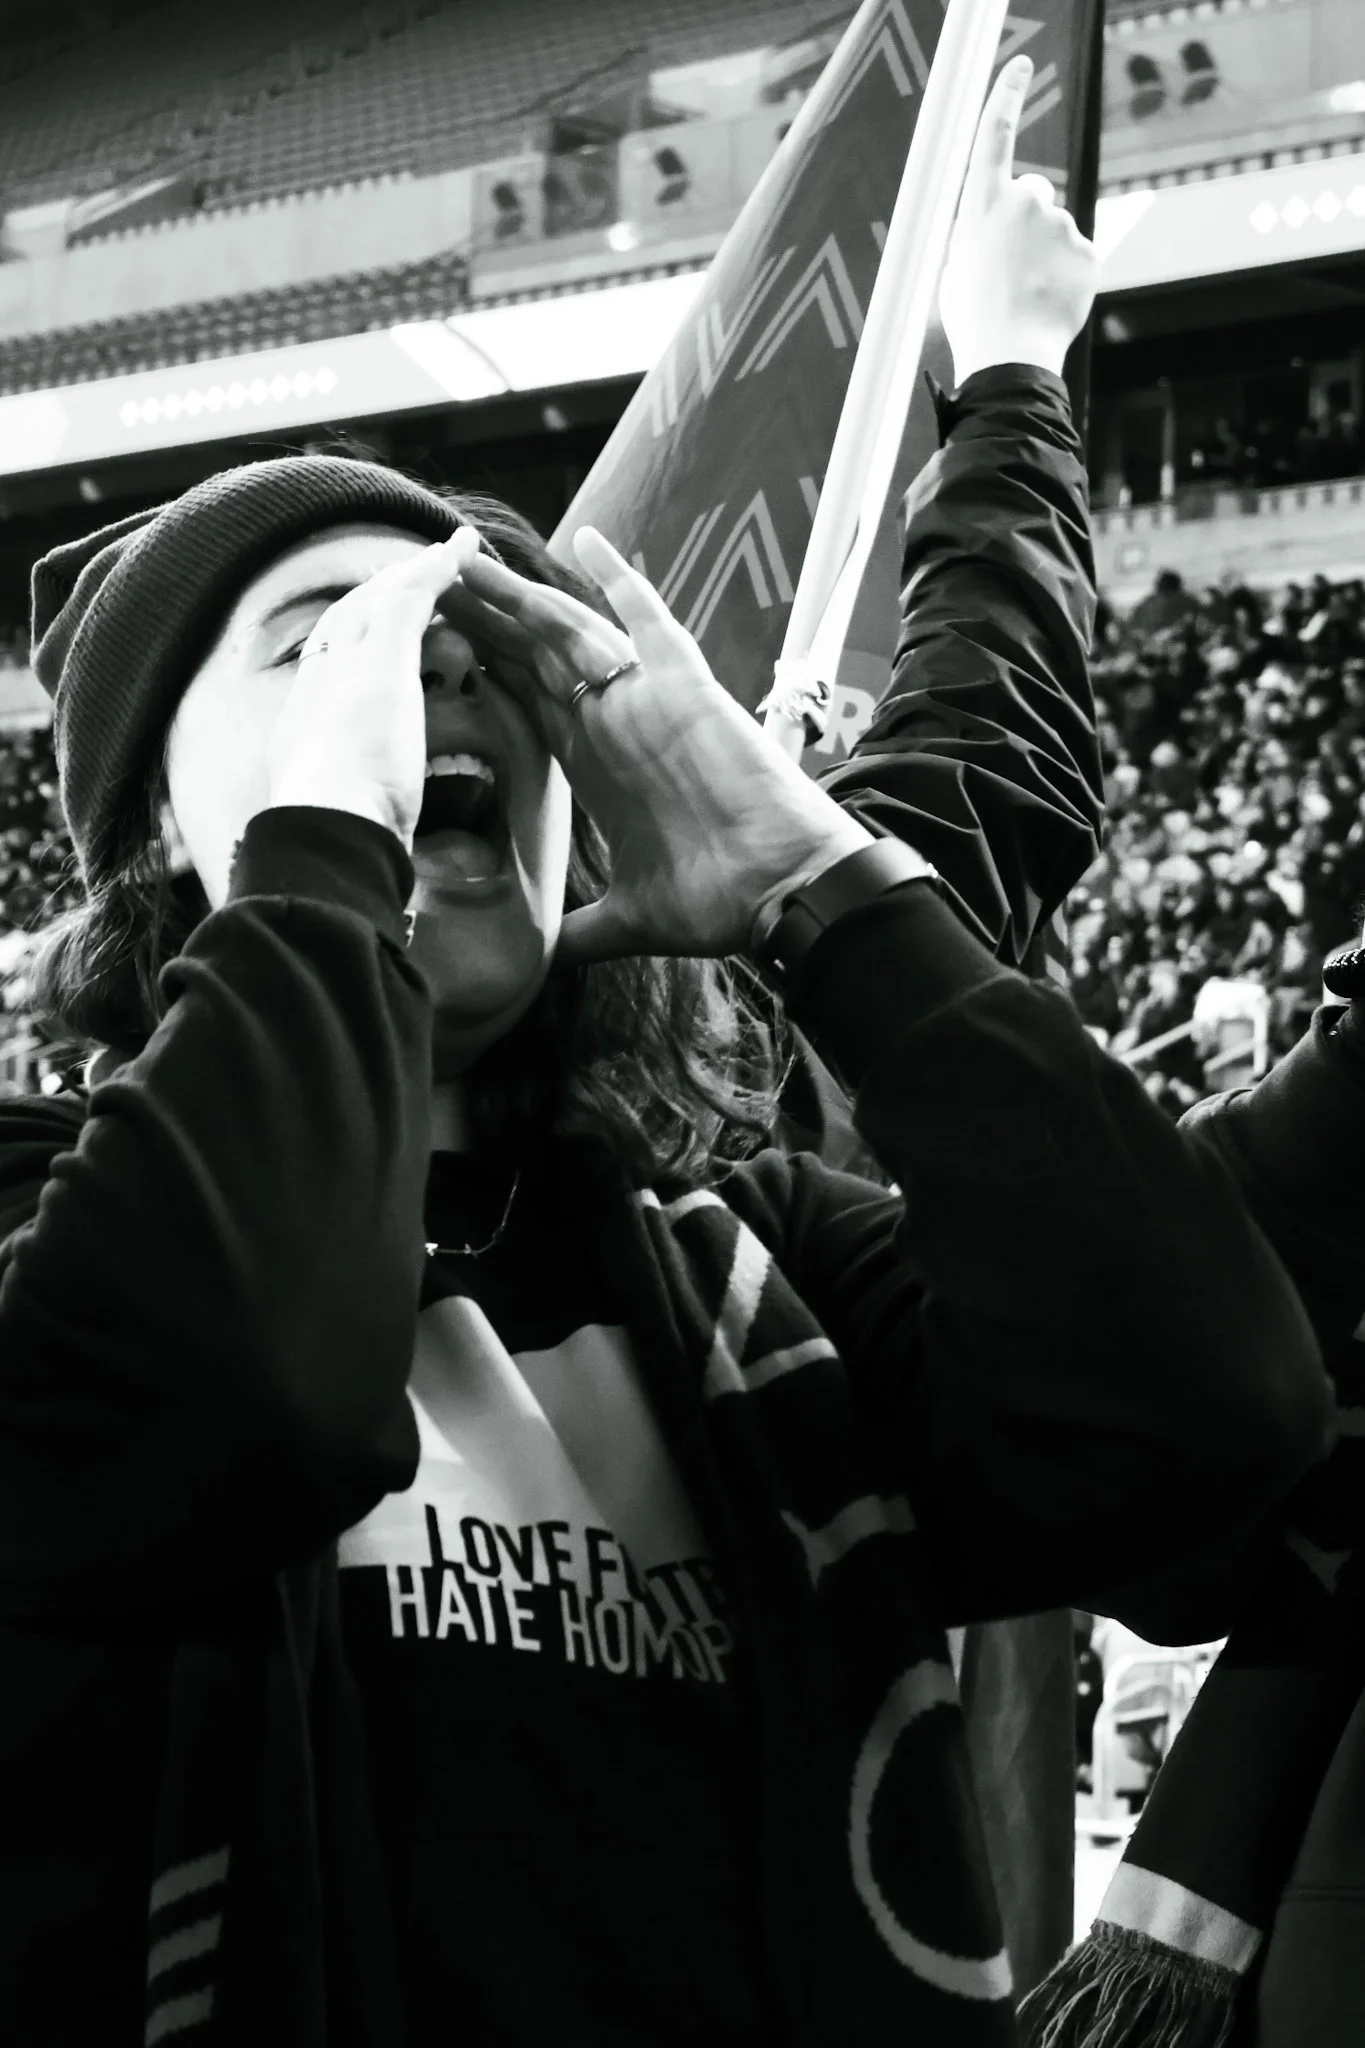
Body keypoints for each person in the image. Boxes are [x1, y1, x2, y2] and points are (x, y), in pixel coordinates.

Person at [0, 65, 1334, 2048]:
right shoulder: (47, 1224)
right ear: (164, 844)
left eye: (481, 648)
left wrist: (820, 888)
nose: (430, 665)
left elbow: (1206, 1416)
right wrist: (323, 846)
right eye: (324, 643)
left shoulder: (760, 1266)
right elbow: (233, 1401)